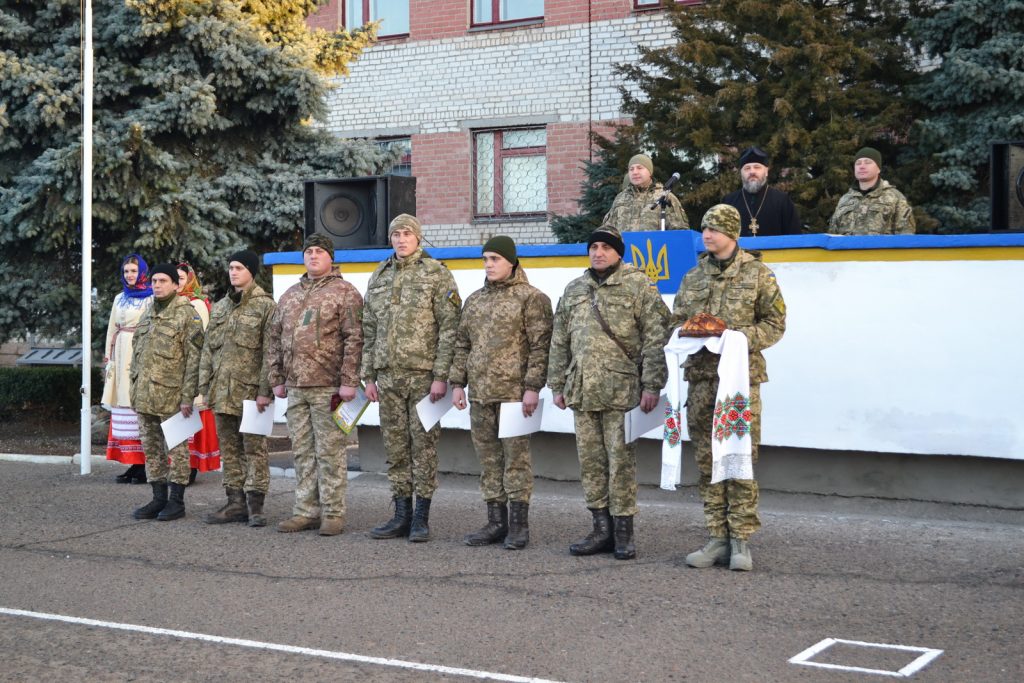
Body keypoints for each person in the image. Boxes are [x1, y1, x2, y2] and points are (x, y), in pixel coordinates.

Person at [672, 204, 786, 571]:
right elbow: (676, 320)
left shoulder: (758, 275)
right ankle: (716, 537)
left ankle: (741, 540)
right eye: (704, 228)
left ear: (733, 234)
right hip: (703, 380)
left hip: (740, 383)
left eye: (715, 229)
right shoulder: (693, 276)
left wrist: (735, 338)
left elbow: (775, 324)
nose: (707, 235)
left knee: (738, 458)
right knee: (707, 461)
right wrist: (689, 333)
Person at [547, 225, 670, 560]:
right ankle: (600, 529)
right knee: (591, 464)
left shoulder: (638, 285)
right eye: (593, 246)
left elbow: (656, 337)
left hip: (622, 389)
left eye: (605, 247)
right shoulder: (575, 289)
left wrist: (652, 384)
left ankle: (624, 534)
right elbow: (560, 340)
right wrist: (556, 384)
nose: (598, 252)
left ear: (618, 252)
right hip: (583, 390)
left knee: (621, 464)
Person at [362, 214, 461, 543]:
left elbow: (450, 329)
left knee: (424, 448)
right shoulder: (379, 275)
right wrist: (368, 376)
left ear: (418, 238)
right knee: (395, 447)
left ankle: (421, 517)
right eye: (396, 235)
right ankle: (401, 514)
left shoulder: (436, 274)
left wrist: (441, 375)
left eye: (407, 234)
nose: (401, 239)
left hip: (423, 378)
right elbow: (369, 330)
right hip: (388, 377)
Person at [450, 236, 553, 550]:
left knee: (516, 462)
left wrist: (532, 388)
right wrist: (458, 383)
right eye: (485, 259)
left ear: (511, 261)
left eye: (495, 258)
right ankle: (496, 522)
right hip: (481, 395)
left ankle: (519, 526)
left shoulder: (532, 298)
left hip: (514, 396)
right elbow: (462, 344)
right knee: (489, 462)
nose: (489, 265)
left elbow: (540, 347)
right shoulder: (475, 300)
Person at [266, 234, 364, 536]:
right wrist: (277, 378)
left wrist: (349, 381)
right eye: (308, 251)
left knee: (330, 451)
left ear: (331, 257)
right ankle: (305, 510)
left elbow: (355, 338)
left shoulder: (345, 292)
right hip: (296, 386)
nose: (313, 256)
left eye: (319, 251)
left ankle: (333, 513)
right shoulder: (290, 295)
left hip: (329, 386)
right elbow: (275, 338)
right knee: (303, 452)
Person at [198, 250, 276, 527]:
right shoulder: (220, 307)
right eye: (231, 267)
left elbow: (271, 352)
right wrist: (203, 387)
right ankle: (235, 503)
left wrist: (265, 390)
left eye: (239, 268)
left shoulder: (265, 306)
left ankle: (256, 506)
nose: (233, 272)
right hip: (222, 392)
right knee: (229, 450)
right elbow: (208, 350)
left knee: (255, 450)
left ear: (251, 272)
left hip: (252, 394)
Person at [129, 264, 205, 521]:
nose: (157, 285)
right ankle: (158, 498)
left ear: (176, 284)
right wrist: (134, 390)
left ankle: (176, 501)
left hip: (172, 396)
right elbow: (138, 355)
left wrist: (188, 397)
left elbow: (195, 359)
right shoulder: (148, 313)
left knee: (178, 449)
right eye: (154, 281)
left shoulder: (187, 314)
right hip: (145, 395)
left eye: (163, 281)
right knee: (151, 449)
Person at [103, 254, 153, 484]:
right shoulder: (119, 298)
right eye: (126, 272)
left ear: (142, 272)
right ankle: (133, 462)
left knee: (138, 405)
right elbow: (112, 328)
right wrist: (109, 356)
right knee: (124, 407)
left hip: (140, 351)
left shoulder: (151, 297)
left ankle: (145, 464)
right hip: (121, 353)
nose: (130, 275)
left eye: (133, 271)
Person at [177, 262, 219, 482]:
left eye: (181, 279)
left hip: (192, 366)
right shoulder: (170, 303)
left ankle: (192, 466)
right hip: (174, 369)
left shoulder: (197, 304)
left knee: (192, 412)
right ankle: (177, 466)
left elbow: (201, 339)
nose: (177, 283)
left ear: (190, 280)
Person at [828, 147, 915, 235]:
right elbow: (833, 235)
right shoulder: (845, 200)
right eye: (858, 163)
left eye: (867, 162)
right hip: (848, 249)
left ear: (878, 169)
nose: (861, 166)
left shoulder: (895, 198)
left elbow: (906, 237)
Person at [721, 147, 801, 236]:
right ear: (741, 173)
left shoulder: (782, 201)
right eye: (747, 168)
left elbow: (794, 237)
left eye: (757, 167)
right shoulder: (729, 202)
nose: (752, 172)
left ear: (766, 171)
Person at [601, 153, 689, 231]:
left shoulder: (665, 196)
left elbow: (680, 232)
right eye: (631, 169)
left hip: (655, 249)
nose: (635, 172)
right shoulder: (620, 198)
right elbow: (607, 231)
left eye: (639, 168)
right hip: (625, 249)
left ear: (650, 172)